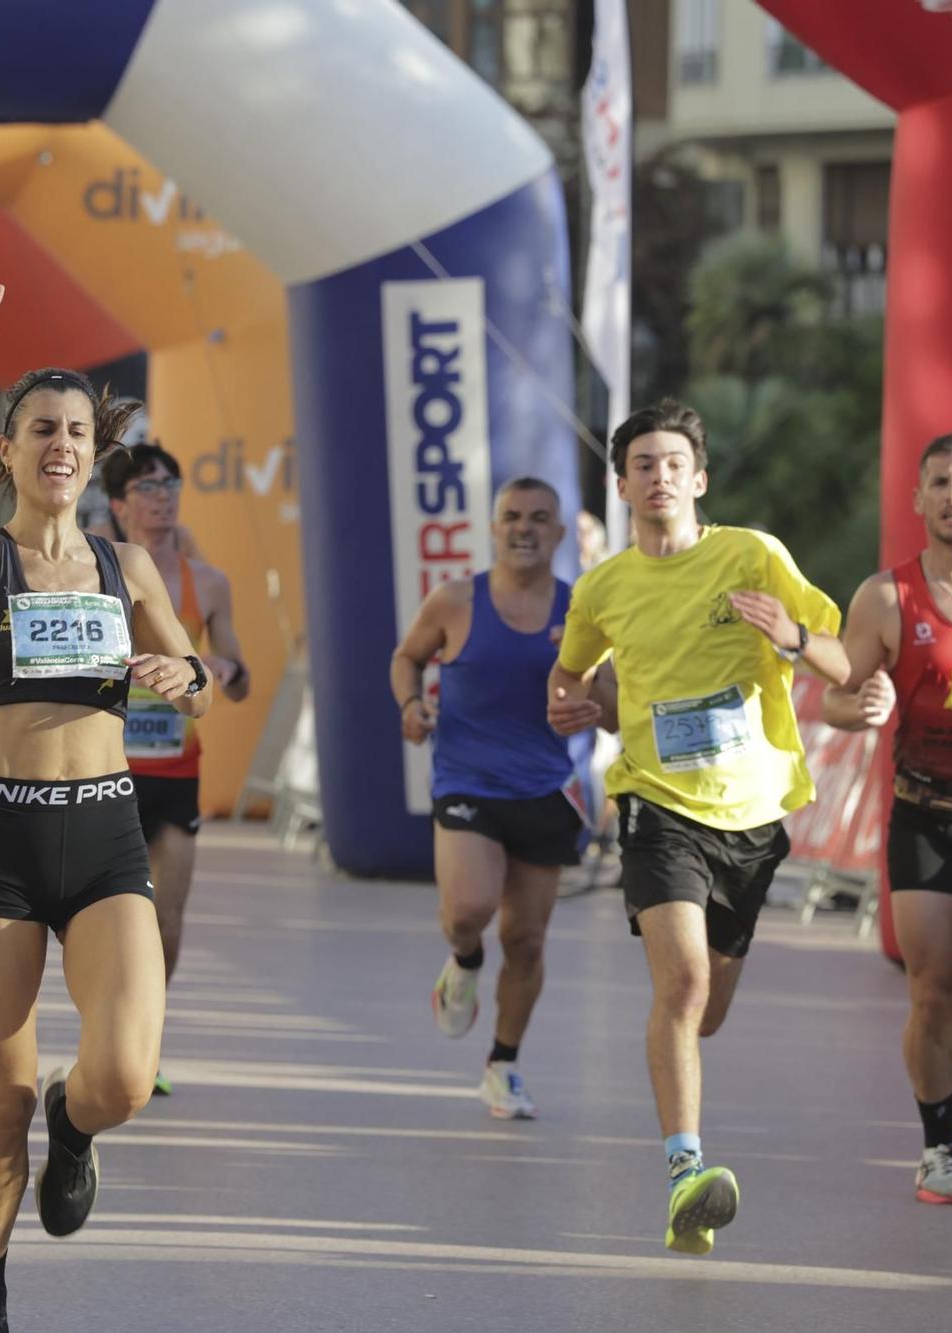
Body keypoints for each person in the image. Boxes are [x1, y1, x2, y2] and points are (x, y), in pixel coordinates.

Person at [0, 253, 211, 1333]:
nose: (62, 445)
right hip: (2, 845)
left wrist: (185, 676)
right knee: (1, 1094)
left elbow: (197, 683)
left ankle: (75, 1136)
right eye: (41, 429)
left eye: (77, 430)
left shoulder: (130, 568)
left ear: (93, 450)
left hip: (106, 830)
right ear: (9, 452)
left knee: (118, 1077)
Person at [548, 400, 847, 1256]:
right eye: (642, 463)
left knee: (707, 1009)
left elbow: (839, 657)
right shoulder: (603, 587)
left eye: (674, 461)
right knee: (679, 987)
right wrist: (582, 704)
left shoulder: (752, 555)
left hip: (752, 815)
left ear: (699, 478)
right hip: (655, 807)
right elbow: (569, 683)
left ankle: (683, 1100)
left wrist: (791, 636)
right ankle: (686, 1171)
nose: (659, 475)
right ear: (622, 485)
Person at [822, 430, 952, 1205]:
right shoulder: (884, 596)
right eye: (937, 482)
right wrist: (861, 704)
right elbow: (840, 692)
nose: (951, 495)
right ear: (917, 498)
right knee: (925, 993)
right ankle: (939, 1147)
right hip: (926, 812)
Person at [392, 478, 614, 1119]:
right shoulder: (457, 600)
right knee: (468, 909)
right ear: (493, 528)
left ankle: (503, 1065)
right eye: (512, 517)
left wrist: (589, 697)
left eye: (539, 518)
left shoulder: (583, 613)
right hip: (467, 781)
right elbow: (406, 658)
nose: (524, 528)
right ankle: (463, 960)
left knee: (527, 941)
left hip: (547, 791)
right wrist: (410, 703)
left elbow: (618, 713)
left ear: (560, 533)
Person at [94, 443, 250, 1097]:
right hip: (104, 766)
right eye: (149, 487)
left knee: (168, 919)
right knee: (106, 916)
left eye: (171, 485)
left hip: (176, 768)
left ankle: (147, 1038)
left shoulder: (207, 582)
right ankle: (108, 1031)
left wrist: (219, 670)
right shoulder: (94, 569)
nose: (163, 497)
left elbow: (238, 678)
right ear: (122, 504)